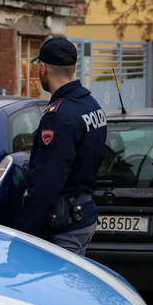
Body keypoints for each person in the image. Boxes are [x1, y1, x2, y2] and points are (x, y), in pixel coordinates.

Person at [15, 37, 108, 255]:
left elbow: (46, 183)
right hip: (82, 214)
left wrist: (22, 236)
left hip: (64, 225)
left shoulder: (59, 116)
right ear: (74, 67)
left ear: (43, 68)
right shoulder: (90, 104)